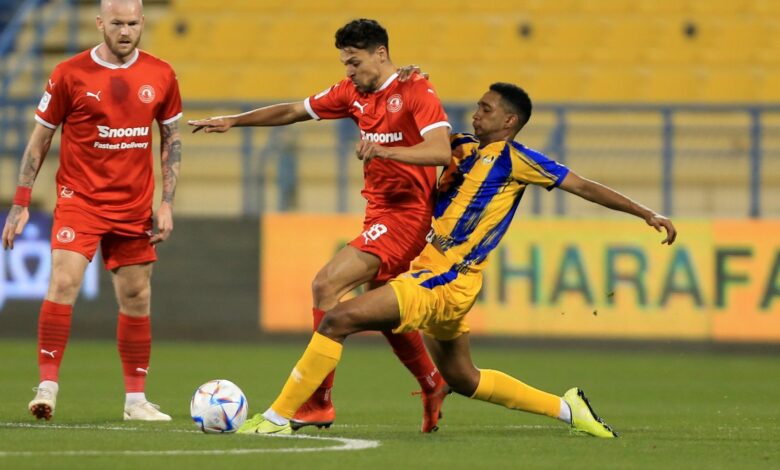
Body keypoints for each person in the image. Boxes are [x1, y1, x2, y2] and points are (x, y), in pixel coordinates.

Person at [236, 82, 678, 436]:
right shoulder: (457, 144)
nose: (476, 113)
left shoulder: (517, 160)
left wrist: (646, 212)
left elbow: (582, 186)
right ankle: (568, 409)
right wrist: (402, 84)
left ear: (509, 121)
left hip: (444, 280)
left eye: (486, 109)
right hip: (445, 279)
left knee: (337, 320)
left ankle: (278, 417)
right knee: (465, 378)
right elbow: (414, 132)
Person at [188, 19, 451, 432]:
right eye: (345, 63)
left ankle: (317, 403)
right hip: (378, 211)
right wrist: (235, 121)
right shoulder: (352, 93)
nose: (349, 71)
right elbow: (294, 110)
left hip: (408, 215)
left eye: (355, 62)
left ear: (380, 54)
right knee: (381, 305)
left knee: (326, 285)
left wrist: (387, 152)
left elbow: (440, 151)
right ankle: (432, 382)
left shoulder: (415, 89)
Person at [1, 0, 182, 421]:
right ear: (100, 23)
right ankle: (47, 388)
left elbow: (171, 140)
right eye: (117, 23)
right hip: (79, 200)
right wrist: (21, 202)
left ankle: (135, 401)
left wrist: (166, 203)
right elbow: (40, 139)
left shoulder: (161, 73)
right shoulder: (69, 73)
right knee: (64, 281)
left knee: (137, 295)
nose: (125, 31)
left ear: (142, 22)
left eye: (133, 23)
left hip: (134, 205)